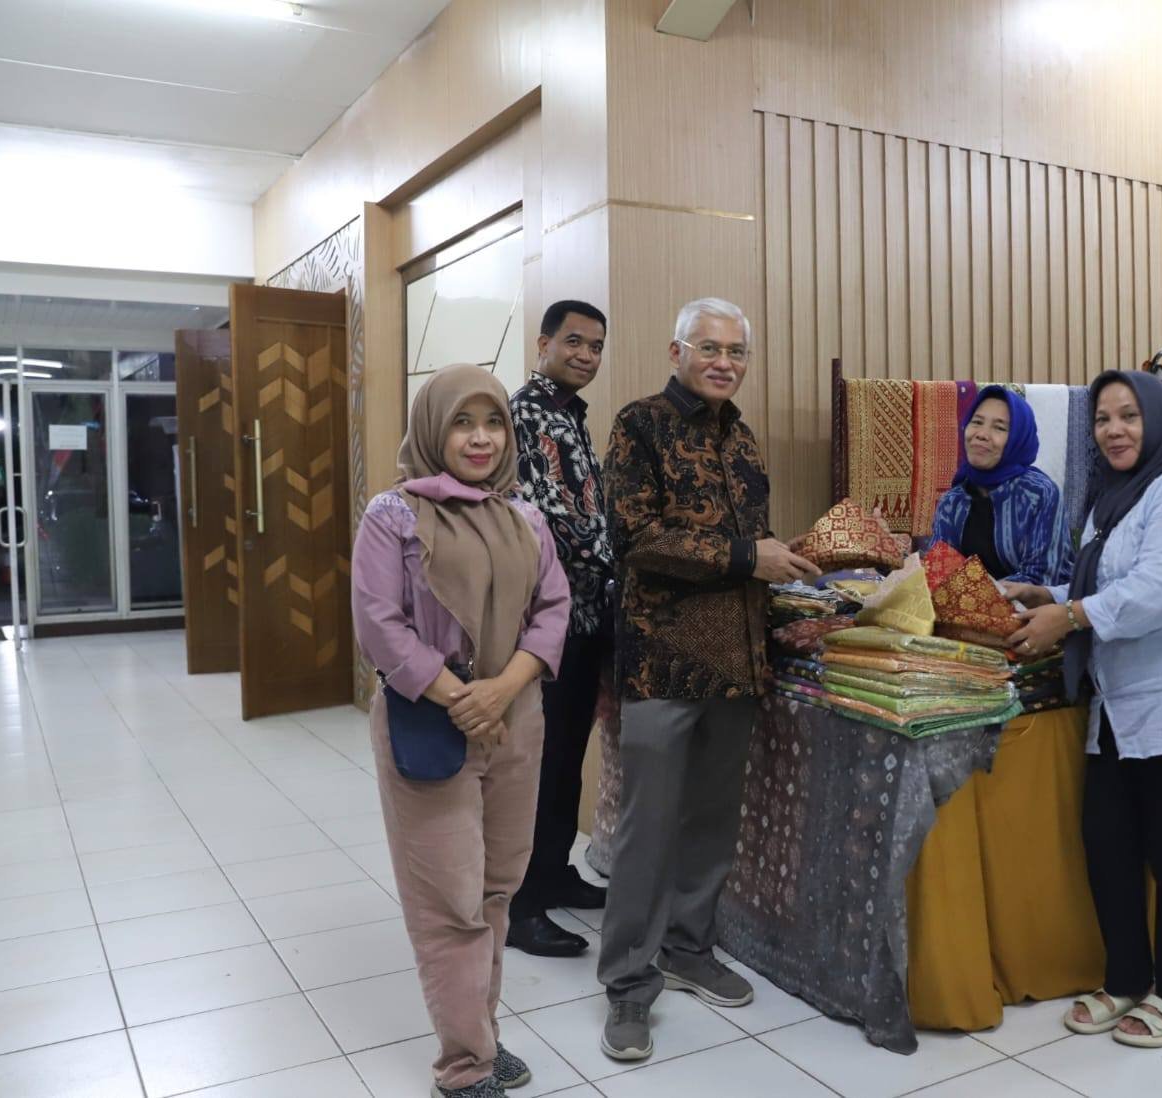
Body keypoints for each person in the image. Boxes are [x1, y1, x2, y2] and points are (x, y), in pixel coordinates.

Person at [596, 297, 820, 1062]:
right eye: (710, 347)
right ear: (677, 351)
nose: (724, 362)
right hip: (663, 663)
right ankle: (628, 985)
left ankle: (688, 949)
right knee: (648, 829)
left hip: (737, 664)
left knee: (713, 822)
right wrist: (749, 556)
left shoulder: (744, 440)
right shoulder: (639, 425)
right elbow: (636, 537)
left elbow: (747, 540)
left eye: (737, 351)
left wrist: (782, 555)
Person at [1002, 370, 1162, 1050]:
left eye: (1129, 416)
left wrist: (1071, 616)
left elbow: (1157, 589)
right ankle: (1128, 977)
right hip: (1119, 706)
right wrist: (1049, 595)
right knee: (1110, 846)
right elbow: (1108, 582)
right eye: (1103, 419)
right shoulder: (1113, 499)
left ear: (1159, 420)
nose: (1114, 430)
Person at [351, 366, 571, 1098]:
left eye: (494, 422)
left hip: (516, 721)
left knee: (497, 889)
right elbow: (379, 623)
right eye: (463, 422)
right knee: (449, 902)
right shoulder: (392, 514)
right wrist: (460, 696)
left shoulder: (524, 517)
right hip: (430, 722)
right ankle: (464, 1067)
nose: (482, 438)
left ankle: (483, 1032)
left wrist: (502, 689)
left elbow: (554, 609)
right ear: (432, 429)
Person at [507, 300, 613, 958]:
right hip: (549, 622)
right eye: (574, 341)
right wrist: (623, 558)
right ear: (543, 343)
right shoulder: (529, 413)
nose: (586, 355)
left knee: (569, 756)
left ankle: (553, 872)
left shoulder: (570, 413)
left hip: (587, 617)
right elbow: (551, 519)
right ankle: (520, 905)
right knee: (540, 765)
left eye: (596, 346)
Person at [929, 384, 1073, 584]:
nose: (982, 434)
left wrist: (983, 591)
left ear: (1018, 439)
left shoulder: (1039, 494)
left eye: (999, 428)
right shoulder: (952, 502)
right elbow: (939, 573)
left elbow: (1043, 577)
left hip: (1032, 604)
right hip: (966, 602)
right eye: (977, 422)